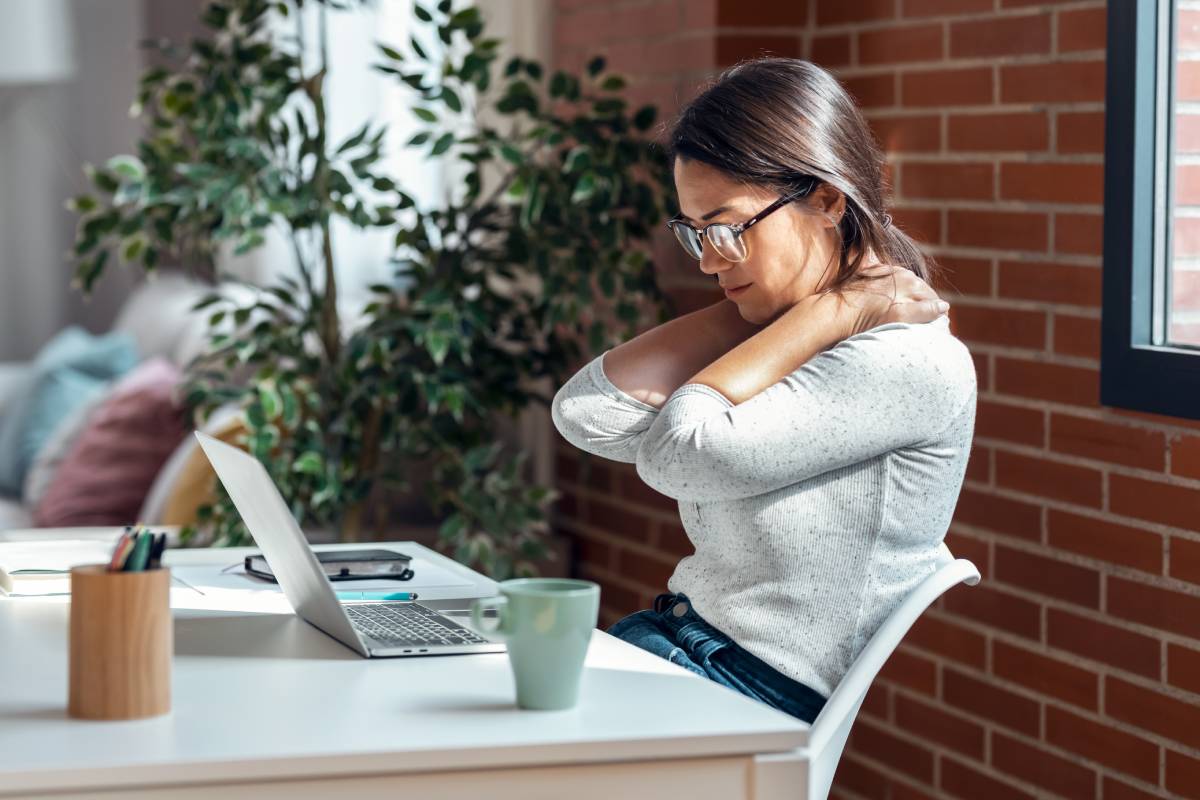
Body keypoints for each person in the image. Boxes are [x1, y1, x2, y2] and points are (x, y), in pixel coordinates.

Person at [550, 57, 977, 724]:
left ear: (828, 199)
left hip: (745, 694)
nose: (710, 261)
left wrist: (828, 313)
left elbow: (677, 457)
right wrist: (798, 311)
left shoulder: (907, 361)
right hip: (678, 651)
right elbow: (587, 413)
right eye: (695, 234)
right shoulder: (805, 331)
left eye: (726, 228)